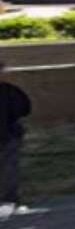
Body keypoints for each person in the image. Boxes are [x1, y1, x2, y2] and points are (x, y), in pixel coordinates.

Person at [1, 59, 30, 208]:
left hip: (9, 134)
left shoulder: (11, 90)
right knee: (9, 167)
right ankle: (10, 198)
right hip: (9, 134)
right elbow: (24, 109)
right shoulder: (10, 91)